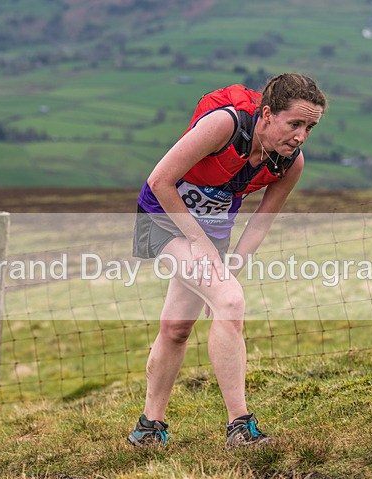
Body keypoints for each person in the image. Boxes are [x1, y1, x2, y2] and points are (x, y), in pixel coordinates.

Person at [129, 73, 327, 448]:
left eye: (309, 127)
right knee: (231, 301)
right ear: (267, 114)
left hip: (211, 233)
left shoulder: (290, 163)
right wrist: (199, 245)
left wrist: (231, 266)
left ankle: (148, 430)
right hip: (162, 219)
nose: (301, 136)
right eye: (295, 124)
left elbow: (261, 221)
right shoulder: (225, 124)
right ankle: (240, 427)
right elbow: (160, 181)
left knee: (177, 328)